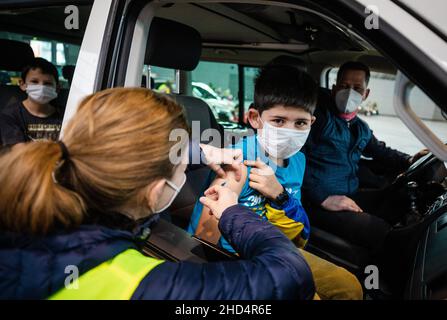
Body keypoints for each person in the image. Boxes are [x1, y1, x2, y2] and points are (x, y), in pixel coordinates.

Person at [0, 87, 315, 300]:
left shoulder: (32, 196)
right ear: (156, 191)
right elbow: (290, 274)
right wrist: (233, 212)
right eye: (180, 168)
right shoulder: (143, 284)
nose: (185, 173)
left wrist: (200, 151)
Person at [187, 66, 363, 300]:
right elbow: (206, 238)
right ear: (255, 118)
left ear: (312, 122)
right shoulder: (238, 159)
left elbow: (296, 226)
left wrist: (279, 195)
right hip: (236, 259)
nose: (289, 131)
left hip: (277, 248)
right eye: (279, 120)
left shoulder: (299, 160)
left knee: (349, 286)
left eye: (300, 123)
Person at [302, 61, 428, 255]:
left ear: (365, 94)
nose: (350, 92)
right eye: (344, 86)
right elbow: (295, 160)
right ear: (334, 89)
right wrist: (322, 197)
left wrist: (410, 159)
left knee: (399, 198)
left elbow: (380, 151)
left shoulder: (360, 128)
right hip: (318, 203)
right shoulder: (318, 120)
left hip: (350, 193)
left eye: (357, 88)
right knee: (378, 230)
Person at [0, 57, 63, 146]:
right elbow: (19, 151)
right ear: (22, 84)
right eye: (34, 82)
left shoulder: (66, 114)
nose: (41, 87)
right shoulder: (10, 115)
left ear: (57, 88)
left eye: (47, 83)